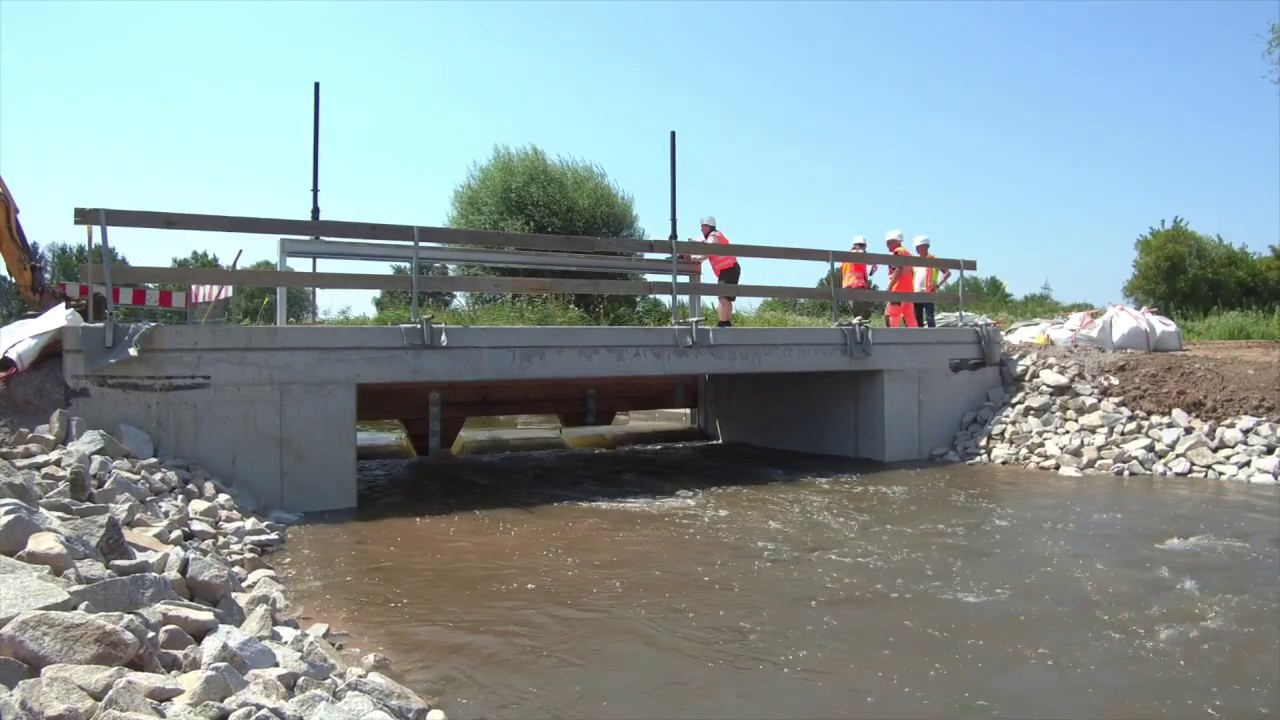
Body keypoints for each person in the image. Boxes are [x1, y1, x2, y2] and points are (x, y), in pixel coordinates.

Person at [686, 215, 740, 327]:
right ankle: (725, 323)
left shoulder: (713, 236)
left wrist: (695, 259)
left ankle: (724, 323)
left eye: (702, 227)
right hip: (730, 269)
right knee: (726, 297)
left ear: (707, 226)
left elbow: (708, 251)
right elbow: (704, 244)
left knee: (723, 297)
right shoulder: (715, 236)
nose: (701, 230)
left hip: (728, 269)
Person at [912, 235, 951, 328]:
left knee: (929, 316)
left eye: (918, 246)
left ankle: (932, 335)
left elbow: (947, 273)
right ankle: (919, 335)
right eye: (916, 247)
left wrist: (937, 284)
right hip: (916, 292)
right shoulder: (914, 261)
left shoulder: (933, 260)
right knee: (917, 317)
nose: (917, 249)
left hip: (929, 292)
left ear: (925, 246)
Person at [884, 230, 919, 328]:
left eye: (889, 242)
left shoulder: (897, 252)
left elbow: (898, 270)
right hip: (908, 290)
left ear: (896, 241)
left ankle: (893, 336)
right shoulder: (906, 252)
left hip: (898, 289)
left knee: (894, 314)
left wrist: (889, 287)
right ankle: (916, 335)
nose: (887, 245)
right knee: (909, 315)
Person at [839, 235, 878, 317]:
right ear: (864, 246)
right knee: (861, 312)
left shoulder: (846, 255)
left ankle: (858, 322)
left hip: (846, 286)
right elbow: (861, 254)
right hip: (857, 285)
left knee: (855, 311)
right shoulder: (859, 253)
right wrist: (874, 262)